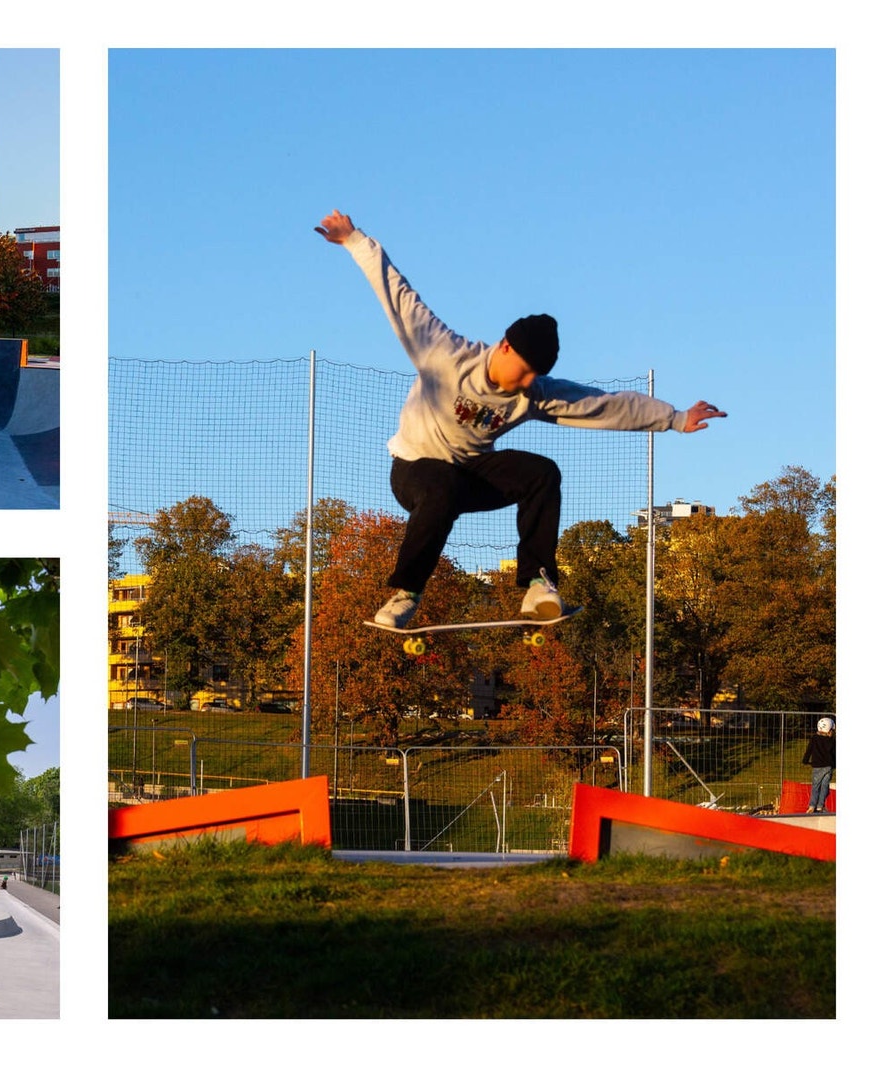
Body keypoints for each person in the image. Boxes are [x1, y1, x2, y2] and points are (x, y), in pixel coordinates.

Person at [314, 210, 727, 627]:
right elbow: (398, 296)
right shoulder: (443, 354)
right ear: (505, 347)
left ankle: (536, 586)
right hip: (414, 471)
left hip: (471, 473)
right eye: (525, 371)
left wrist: (674, 417)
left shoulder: (535, 394)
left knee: (542, 473)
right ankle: (405, 595)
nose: (528, 383)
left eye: (536, 377)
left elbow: (602, 404)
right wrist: (353, 239)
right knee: (439, 487)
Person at [802, 717, 836, 812]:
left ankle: (812, 805)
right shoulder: (832, 741)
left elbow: (809, 750)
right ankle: (820, 806)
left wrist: (805, 760)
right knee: (825, 786)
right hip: (828, 767)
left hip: (817, 766)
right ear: (829, 729)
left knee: (816, 786)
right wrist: (834, 765)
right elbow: (834, 754)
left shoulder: (814, 738)